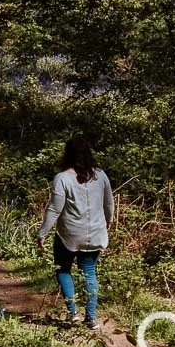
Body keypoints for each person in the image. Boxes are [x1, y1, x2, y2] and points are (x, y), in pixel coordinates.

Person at [36, 137, 115, 329]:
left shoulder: (62, 178)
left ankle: (73, 313)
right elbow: (109, 202)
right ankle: (92, 318)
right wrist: (109, 221)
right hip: (95, 233)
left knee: (63, 270)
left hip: (69, 236)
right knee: (89, 273)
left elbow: (54, 209)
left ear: (67, 155)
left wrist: (42, 233)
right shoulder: (101, 175)